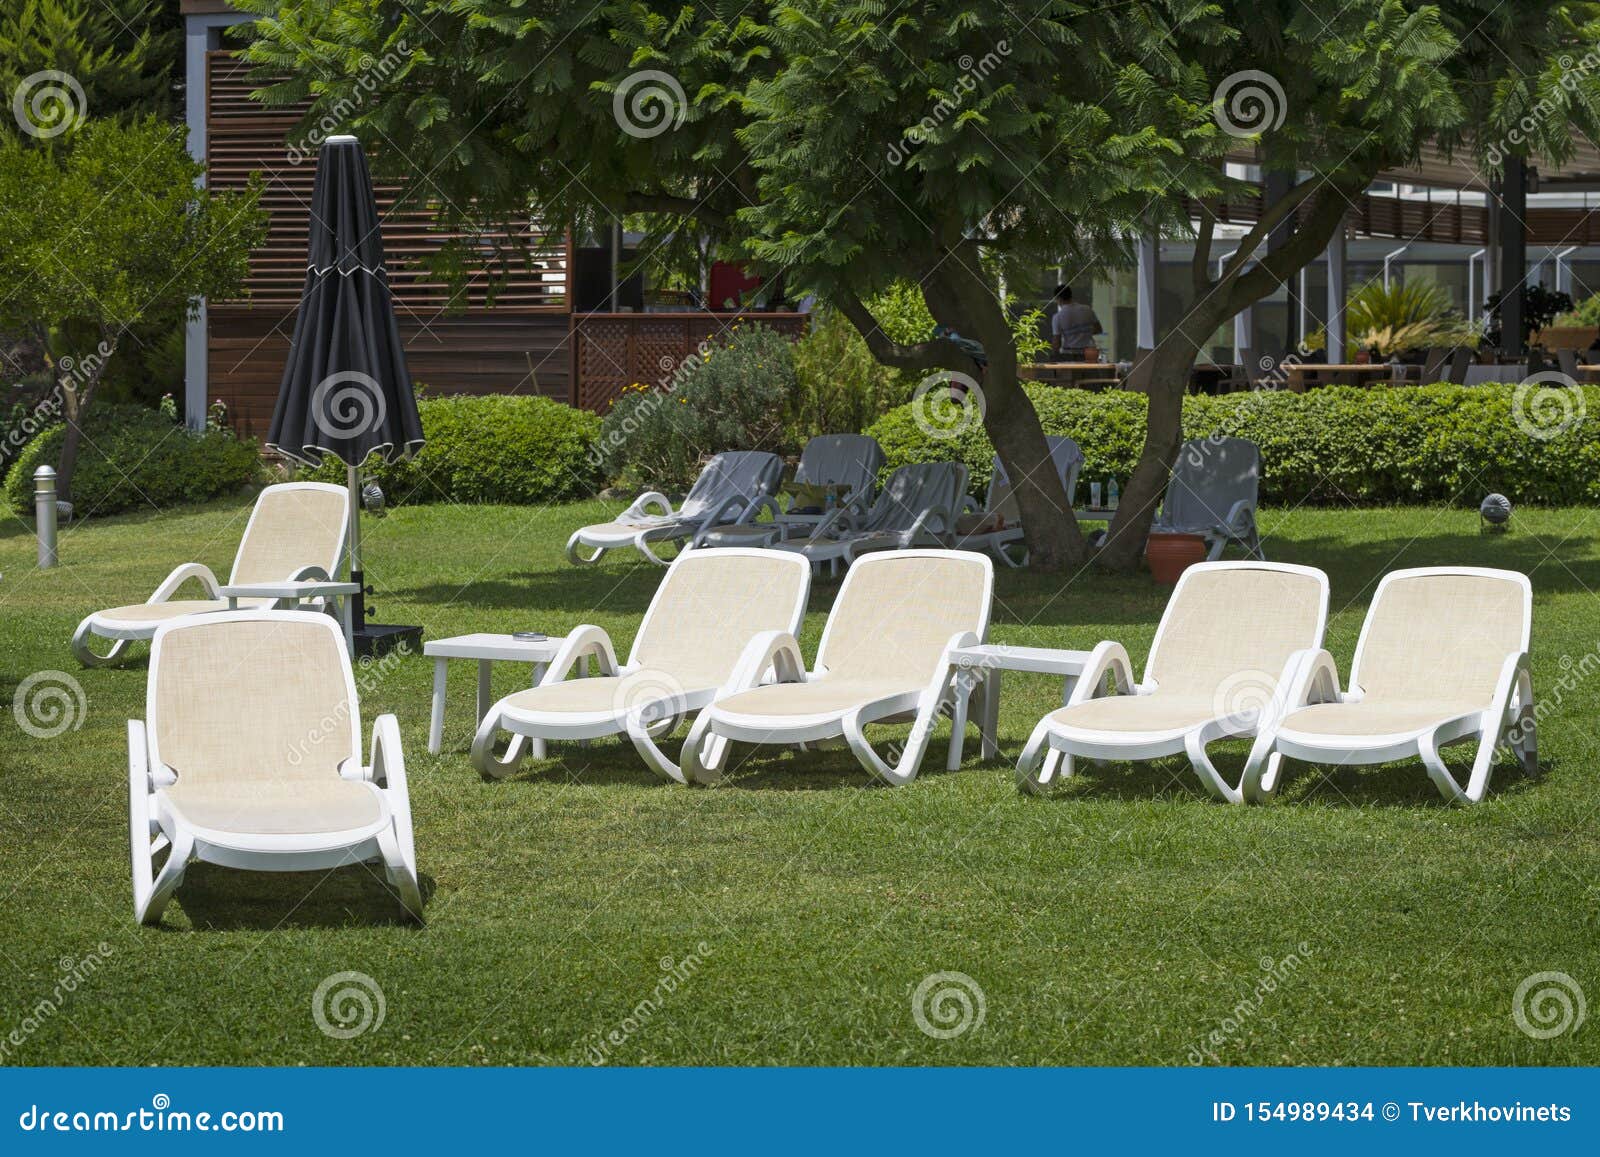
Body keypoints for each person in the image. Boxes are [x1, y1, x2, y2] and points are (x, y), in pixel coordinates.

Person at [1050, 285, 1102, 359]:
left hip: (1069, 353)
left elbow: (1057, 342)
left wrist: (1054, 356)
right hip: (1089, 353)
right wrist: (1084, 332)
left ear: (1058, 299)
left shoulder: (1057, 317)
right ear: (1071, 295)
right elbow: (1099, 329)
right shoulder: (1087, 309)